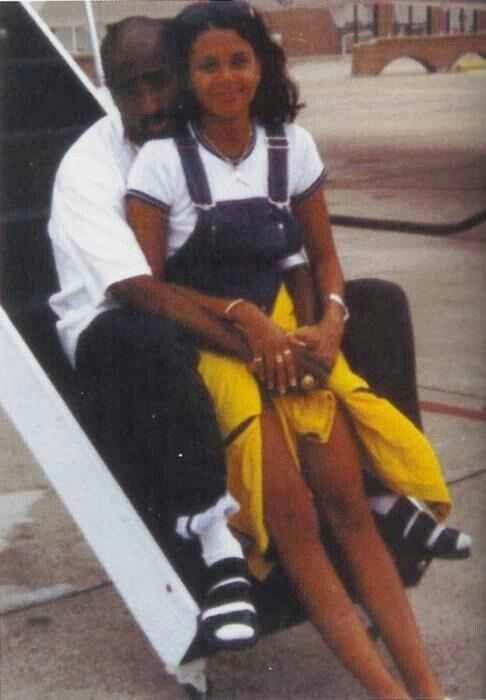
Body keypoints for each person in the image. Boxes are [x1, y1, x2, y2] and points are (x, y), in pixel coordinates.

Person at [124, 3, 458, 697]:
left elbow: (326, 260)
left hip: (295, 344)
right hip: (218, 351)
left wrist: (330, 325)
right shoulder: (161, 163)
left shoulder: (292, 148)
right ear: (187, 77)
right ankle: (389, 693)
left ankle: (428, 689)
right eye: (207, 65)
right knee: (298, 524)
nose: (226, 78)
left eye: (238, 60)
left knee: (346, 506)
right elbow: (150, 291)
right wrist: (243, 319)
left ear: (262, 65)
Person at [47, 16, 261, 653]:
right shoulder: (88, 168)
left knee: (375, 303)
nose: (147, 105)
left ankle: (381, 494)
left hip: (192, 306)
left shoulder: (211, 134)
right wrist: (250, 338)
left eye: (158, 83)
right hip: (109, 331)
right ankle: (218, 551)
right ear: (111, 93)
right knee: (145, 335)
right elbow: (137, 289)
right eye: (128, 91)